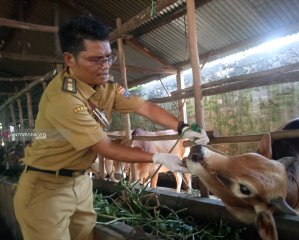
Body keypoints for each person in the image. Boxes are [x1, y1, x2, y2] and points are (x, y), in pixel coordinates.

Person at [13, 15, 209, 240]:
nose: (105, 66)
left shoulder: (106, 87)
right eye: (96, 59)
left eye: (108, 57)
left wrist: (183, 127)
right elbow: (104, 147)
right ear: (69, 59)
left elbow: (143, 107)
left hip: (81, 181)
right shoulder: (64, 99)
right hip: (45, 188)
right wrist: (156, 158)